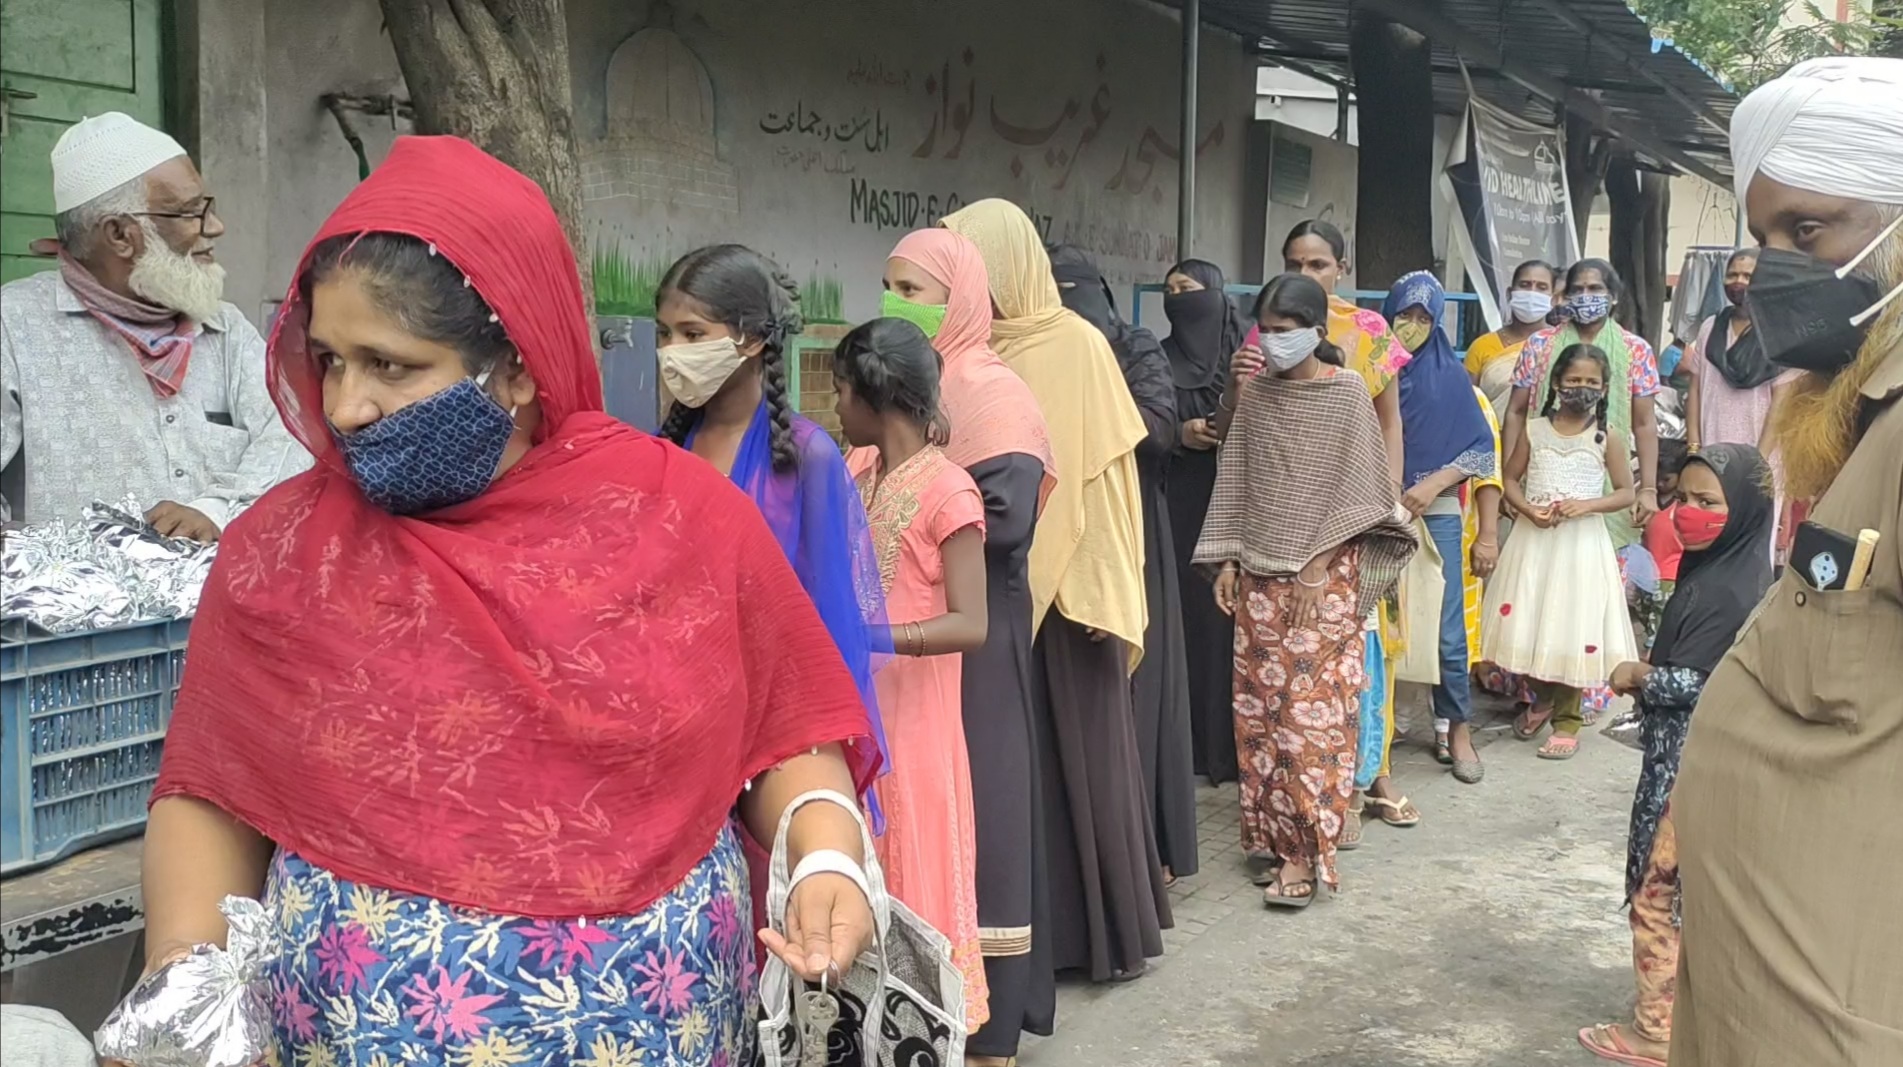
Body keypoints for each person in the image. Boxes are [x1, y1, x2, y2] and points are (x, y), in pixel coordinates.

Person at [137, 136, 880, 1065]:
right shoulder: (284, 554)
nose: (347, 405)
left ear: (518, 366)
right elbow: (214, 791)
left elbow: (786, 736)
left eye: (390, 364)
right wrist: (184, 976)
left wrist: (826, 853)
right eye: (328, 359)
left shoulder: (681, 523)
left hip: (653, 1029)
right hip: (344, 1032)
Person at [1671, 55, 1903, 1066]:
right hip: (1763, 982)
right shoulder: (1851, 404)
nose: (1771, 262)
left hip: (1832, 998)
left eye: (1807, 231)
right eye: (1762, 234)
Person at [941, 199, 1169, 984]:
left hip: (1071, 593)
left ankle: (1100, 938)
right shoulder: (963, 354)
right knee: (1018, 778)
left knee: (1084, 764)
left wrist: (1105, 592)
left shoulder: (1075, 345)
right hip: (998, 590)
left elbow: (1106, 484)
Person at [878, 228, 1057, 1065]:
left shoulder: (993, 393)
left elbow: (1009, 519)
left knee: (979, 806)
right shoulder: (894, 395)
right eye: (890, 286)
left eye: (914, 290)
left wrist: (927, 497)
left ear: (961, 299)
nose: (896, 302)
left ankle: (990, 1019)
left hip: (971, 638)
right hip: (903, 658)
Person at [1195, 273, 1416, 908]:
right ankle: (1279, 836)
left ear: (1318, 332)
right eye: (1267, 330)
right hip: (1259, 578)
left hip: (1325, 582)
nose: (1274, 342)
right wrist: (1231, 563)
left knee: (1307, 721)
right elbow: (1238, 474)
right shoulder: (1258, 394)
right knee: (1260, 718)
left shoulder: (1347, 394)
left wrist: (1317, 564)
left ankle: (1304, 852)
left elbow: (1359, 491)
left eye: (1287, 332)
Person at [653, 243, 891, 818]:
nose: (671, 353)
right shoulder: (664, 451)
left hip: (776, 729)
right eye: (663, 335)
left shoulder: (807, 457)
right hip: (683, 721)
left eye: (691, 334)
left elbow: (832, 619)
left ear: (752, 339)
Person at [0, 111, 305, 537]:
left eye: (208, 208)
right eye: (189, 213)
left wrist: (218, 509)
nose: (215, 228)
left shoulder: (226, 330)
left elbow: (294, 434)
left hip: (221, 598)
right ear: (120, 235)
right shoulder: (13, 329)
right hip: (67, 600)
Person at [1577, 444, 1773, 1067]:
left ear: (1741, 510)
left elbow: (1705, 684)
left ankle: (1655, 1033)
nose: (1687, 512)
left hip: (1689, 773)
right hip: (1684, 765)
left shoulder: (1732, 590)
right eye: (1681, 497)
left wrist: (1638, 675)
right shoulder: (1720, 569)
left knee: (1657, 901)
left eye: (1707, 502)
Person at [835, 318, 991, 1033]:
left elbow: (972, 622)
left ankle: (926, 1032)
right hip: (856, 719)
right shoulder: (853, 471)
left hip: (918, 728)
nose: (834, 404)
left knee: (915, 878)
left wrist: (871, 636)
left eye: (840, 389)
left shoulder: (949, 491)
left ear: (874, 396)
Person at [1050, 244, 1199, 887]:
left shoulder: (1134, 348)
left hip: (1134, 534)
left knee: (1137, 691)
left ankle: (1146, 848)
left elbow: (1157, 428)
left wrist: (1075, 420)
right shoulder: (1028, 352)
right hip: (1054, 533)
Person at [1481, 343, 1640, 760]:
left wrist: (1587, 505)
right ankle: (1545, 697)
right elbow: (1510, 479)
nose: (1581, 389)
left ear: (1604, 390)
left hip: (1581, 548)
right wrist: (1527, 510)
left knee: (1573, 628)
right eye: (1573, 381)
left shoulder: (1608, 437)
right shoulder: (1534, 430)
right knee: (1535, 623)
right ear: (1555, 383)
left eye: (1591, 383)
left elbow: (1626, 493)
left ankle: (1567, 721)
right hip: (1535, 544)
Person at [1382, 272, 1502, 792]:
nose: (1412, 326)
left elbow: (1479, 451)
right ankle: (1379, 736)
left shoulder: (1452, 377)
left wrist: (1431, 485)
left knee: (1449, 633)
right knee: (1384, 632)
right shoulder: (1369, 371)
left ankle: (1458, 730)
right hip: (1378, 513)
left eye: (1423, 317)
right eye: (1404, 315)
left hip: (1435, 513)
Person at [1159, 259, 1249, 786]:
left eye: (1187, 289)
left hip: (1236, 504)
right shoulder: (1157, 357)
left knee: (1232, 625)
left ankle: (1233, 749)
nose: (1176, 298)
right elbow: (1140, 421)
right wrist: (1178, 433)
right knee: (1190, 621)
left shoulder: (1242, 361)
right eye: (1169, 290)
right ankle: (1191, 749)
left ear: (1215, 295)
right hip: (1180, 504)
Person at [1503, 259, 1663, 548]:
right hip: (1539, 481)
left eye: (1595, 288)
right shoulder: (1540, 345)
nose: (1586, 295)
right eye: (1577, 289)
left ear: (1612, 295)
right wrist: (1509, 482)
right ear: (1565, 297)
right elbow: (1516, 411)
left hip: (1609, 480)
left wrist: (1648, 489)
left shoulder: (1636, 350)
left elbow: (1644, 423)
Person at [1280, 219, 1408, 488]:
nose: (1304, 274)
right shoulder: (1267, 329)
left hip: (1353, 480)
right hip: (1281, 478)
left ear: (1340, 269)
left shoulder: (1369, 331)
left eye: (1317, 265)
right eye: (1294, 265)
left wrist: (1393, 489)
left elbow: (1389, 421)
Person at [1686, 249, 1800, 456]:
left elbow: (1781, 404)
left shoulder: (1781, 334)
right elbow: (1695, 390)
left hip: (1762, 457)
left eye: (1748, 276)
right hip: (1713, 454)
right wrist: (1694, 447)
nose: (1739, 281)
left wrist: (1758, 461)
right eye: (1732, 275)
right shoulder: (1710, 328)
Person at [1465, 260, 1559, 419]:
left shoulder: (1562, 343)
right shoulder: (1481, 346)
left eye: (1541, 288)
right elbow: (1466, 403)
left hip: (1544, 440)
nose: (1532, 293)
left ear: (1554, 299)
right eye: (1525, 285)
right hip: (1491, 439)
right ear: (1509, 293)